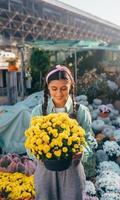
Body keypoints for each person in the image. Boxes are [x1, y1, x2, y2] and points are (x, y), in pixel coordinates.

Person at [30, 64, 93, 200]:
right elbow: (29, 143)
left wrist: (82, 152)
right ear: (48, 88)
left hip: (72, 170)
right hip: (45, 171)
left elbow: (90, 141)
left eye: (64, 88)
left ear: (71, 88)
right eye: (54, 88)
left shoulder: (81, 111)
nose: (59, 93)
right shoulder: (38, 111)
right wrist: (38, 153)